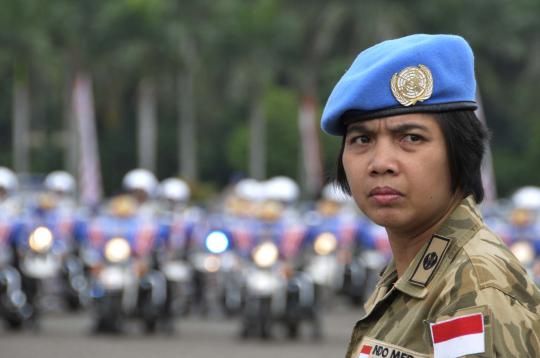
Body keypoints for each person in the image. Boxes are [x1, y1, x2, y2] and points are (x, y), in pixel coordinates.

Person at [320, 34, 540, 357]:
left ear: (459, 151)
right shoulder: (413, 271)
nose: (380, 163)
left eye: (410, 137)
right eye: (362, 139)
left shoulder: (474, 290)